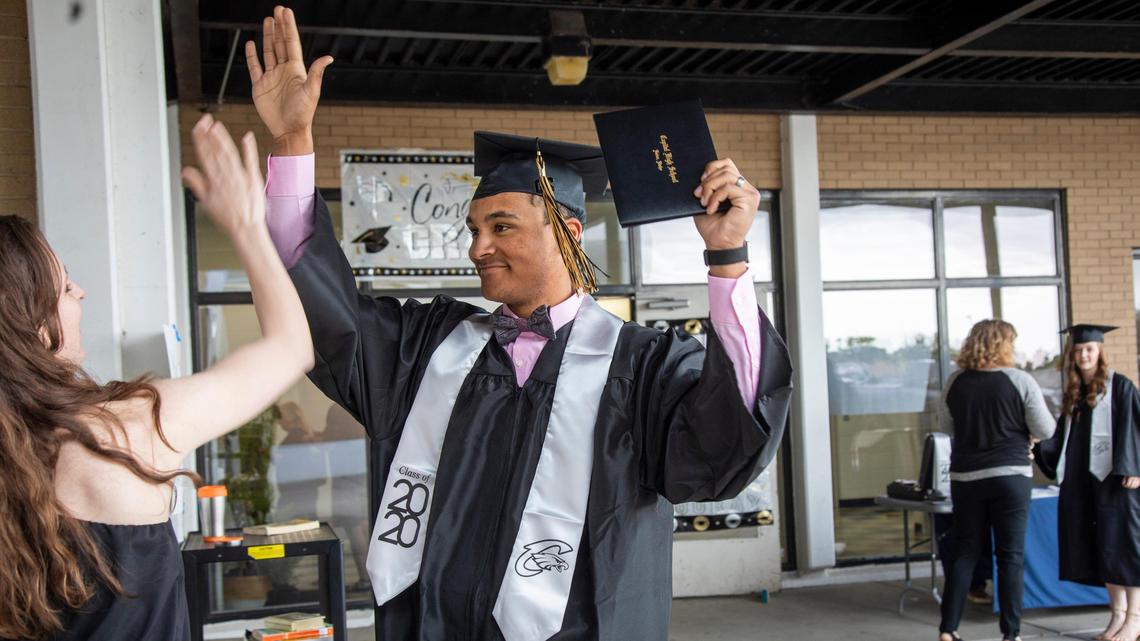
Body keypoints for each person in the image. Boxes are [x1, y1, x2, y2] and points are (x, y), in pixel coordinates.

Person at [245, 7, 792, 641]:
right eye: (473, 229)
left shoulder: (642, 366)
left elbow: (732, 436)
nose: (478, 247)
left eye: (500, 226)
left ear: (568, 233)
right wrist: (291, 144)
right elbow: (322, 313)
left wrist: (726, 258)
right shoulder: (429, 348)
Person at [0, 116, 313, 641]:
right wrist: (244, 226)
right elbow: (290, 347)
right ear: (30, 323)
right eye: (63, 286)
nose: (81, 293)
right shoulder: (118, 433)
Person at [938, 320, 1055, 641]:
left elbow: (945, 426)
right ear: (1003, 345)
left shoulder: (955, 382)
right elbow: (1046, 429)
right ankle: (1010, 634)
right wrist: (1021, 433)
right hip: (1010, 477)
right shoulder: (1020, 380)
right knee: (1010, 557)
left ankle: (948, 630)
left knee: (965, 552)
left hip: (967, 478)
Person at [1035, 324, 1140, 641]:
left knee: (1126, 549)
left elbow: (1136, 427)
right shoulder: (1075, 393)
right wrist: (1038, 447)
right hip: (1085, 484)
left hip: (1118, 482)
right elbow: (1063, 439)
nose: (1083, 354)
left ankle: (1135, 620)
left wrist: (1136, 467)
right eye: (1079, 350)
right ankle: (1117, 617)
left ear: (1100, 351)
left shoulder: (1120, 386)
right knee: (1104, 550)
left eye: (1089, 349)